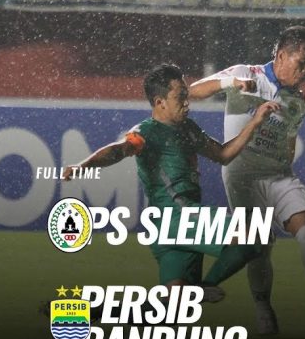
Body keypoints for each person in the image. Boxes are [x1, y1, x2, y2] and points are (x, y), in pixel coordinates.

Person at [62, 63, 280, 299]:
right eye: (180, 97)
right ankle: (204, 287)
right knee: (258, 233)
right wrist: (84, 165)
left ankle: (85, 311)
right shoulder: (146, 132)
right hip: (178, 217)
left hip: (164, 227)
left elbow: (223, 155)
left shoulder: (188, 128)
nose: (187, 102)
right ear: (160, 102)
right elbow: (119, 150)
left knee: (171, 306)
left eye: (186, 95)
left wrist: (255, 122)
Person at [189, 26, 305, 335]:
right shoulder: (247, 74)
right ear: (281, 56)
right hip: (242, 176)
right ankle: (263, 307)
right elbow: (193, 91)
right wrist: (230, 82)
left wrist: (283, 172)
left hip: (278, 175)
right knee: (259, 245)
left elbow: (290, 143)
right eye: (301, 63)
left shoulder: (298, 101)